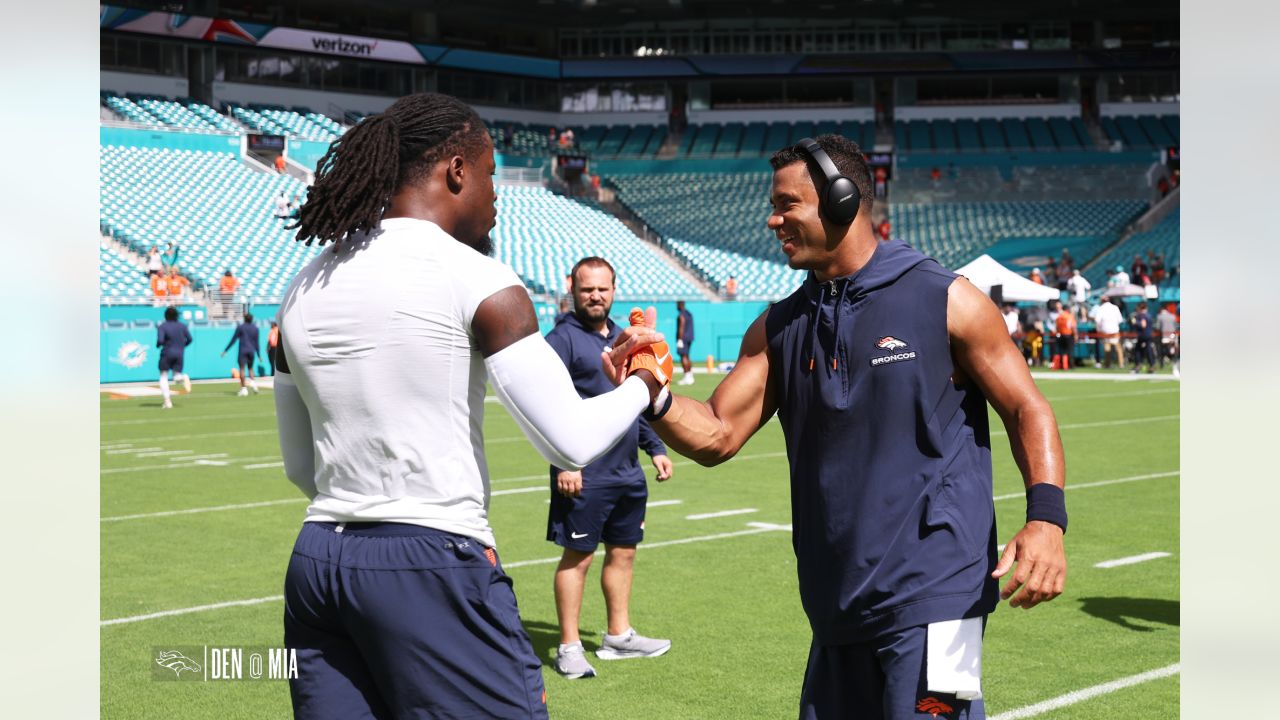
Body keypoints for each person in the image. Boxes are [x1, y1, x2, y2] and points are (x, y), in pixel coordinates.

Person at [616, 134, 1068, 719]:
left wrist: (1047, 519)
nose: (772, 219)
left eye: (786, 205)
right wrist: (654, 397)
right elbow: (718, 433)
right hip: (836, 602)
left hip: (938, 593)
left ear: (843, 199)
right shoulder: (779, 326)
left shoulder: (947, 299)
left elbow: (1026, 407)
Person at [272, 92, 669, 720]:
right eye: (488, 173)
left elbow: (301, 467)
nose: (494, 193)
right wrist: (648, 384)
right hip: (431, 562)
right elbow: (569, 439)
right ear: (456, 169)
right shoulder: (477, 277)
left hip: (319, 561)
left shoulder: (305, 281)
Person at [545, 256, 675, 680]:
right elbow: (546, 408)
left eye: (602, 289)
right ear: (573, 291)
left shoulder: (625, 337)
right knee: (578, 558)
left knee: (623, 553)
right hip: (584, 473)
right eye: (586, 289)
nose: (595, 296)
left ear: (614, 290)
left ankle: (618, 636)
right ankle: (568, 647)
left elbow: (633, 401)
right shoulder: (560, 340)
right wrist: (564, 461)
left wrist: (654, 447)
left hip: (626, 473)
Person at [156, 306, 193, 409]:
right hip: (179, 353)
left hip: (167, 353)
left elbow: (160, 340)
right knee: (176, 376)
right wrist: (182, 346)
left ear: (166, 316)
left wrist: (158, 345)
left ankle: (167, 402)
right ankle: (183, 377)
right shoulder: (182, 326)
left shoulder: (163, 326)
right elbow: (190, 339)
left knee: (163, 376)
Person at [221, 312, 261, 396]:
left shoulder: (240, 327)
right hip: (251, 351)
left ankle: (244, 389)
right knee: (250, 368)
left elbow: (233, 340)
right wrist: (259, 354)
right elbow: (257, 343)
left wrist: (225, 350)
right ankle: (254, 385)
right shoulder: (256, 329)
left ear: (244, 319)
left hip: (243, 351)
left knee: (242, 369)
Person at [1094, 296, 1125, 368]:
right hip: (1114, 330)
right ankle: (1121, 364)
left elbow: (1097, 320)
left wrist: (1099, 329)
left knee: (1107, 348)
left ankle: (1107, 364)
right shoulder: (1115, 308)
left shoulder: (1101, 308)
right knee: (1118, 348)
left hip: (1105, 331)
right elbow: (1120, 320)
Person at [1130, 301, 1156, 374]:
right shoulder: (1149, 315)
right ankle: (1152, 365)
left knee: (1138, 350)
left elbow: (1143, 325)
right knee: (1148, 350)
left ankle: (1138, 365)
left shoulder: (1141, 315)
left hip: (1143, 335)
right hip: (1149, 334)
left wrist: (1135, 322)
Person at [1156, 303, 1179, 377]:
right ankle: (1174, 362)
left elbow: (1158, 327)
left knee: (1162, 351)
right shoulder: (1172, 316)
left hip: (1164, 336)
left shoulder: (1160, 316)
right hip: (1172, 335)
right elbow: (1175, 326)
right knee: (1173, 350)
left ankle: (1163, 363)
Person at [1052, 300, 1076, 370]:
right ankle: (1070, 365)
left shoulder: (1059, 317)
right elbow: (1073, 326)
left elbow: (1057, 327)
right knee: (1070, 351)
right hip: (1068, 335)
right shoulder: (1069, 316)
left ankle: (1063, 365)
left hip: (1061, 335)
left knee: (1062, 351)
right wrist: (1075, 335)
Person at [676, 300, 695, 386]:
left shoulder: (682, 315)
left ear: (680, 304)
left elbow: (682, 326)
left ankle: (687, 376)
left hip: (683, 338)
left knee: (683, 356)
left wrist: (680, 339)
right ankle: (690, 376)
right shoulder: (689, 313)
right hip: (689, 337)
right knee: (687, 356)